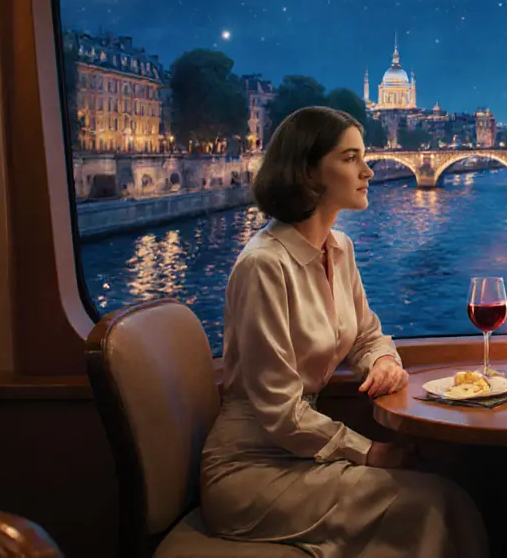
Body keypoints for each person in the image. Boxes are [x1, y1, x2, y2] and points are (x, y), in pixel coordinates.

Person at [200, 106, 488, 558]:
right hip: (253, 468)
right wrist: (370, 451)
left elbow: (365, 334)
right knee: (435, 503)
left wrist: (384, 360)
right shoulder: (263, 265)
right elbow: (278, 409)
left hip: (303, 452)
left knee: (449, 492)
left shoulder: (339, 247)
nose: (369, 170)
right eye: (351, 158)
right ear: (309, 172)